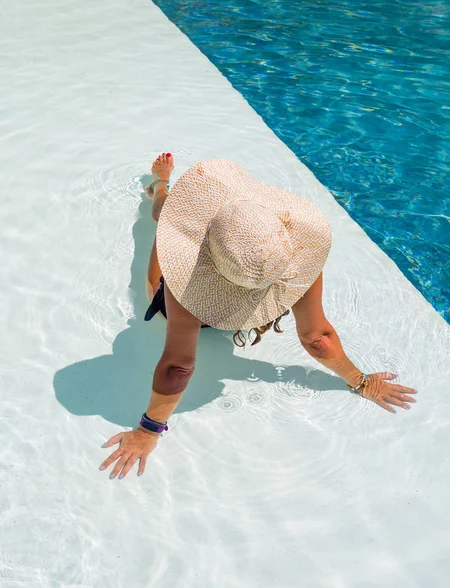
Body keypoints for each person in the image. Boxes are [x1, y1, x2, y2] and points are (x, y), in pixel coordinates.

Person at [99, 153, 417, 480]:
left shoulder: (190, 284)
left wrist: (148, 431)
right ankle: (162, 189)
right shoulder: (293, 261)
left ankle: (160, 186)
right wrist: (361, 382)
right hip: (244, 312)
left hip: (191, 299)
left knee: (162, 229)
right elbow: (318, 339)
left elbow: (178, 366)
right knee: (167, 218)